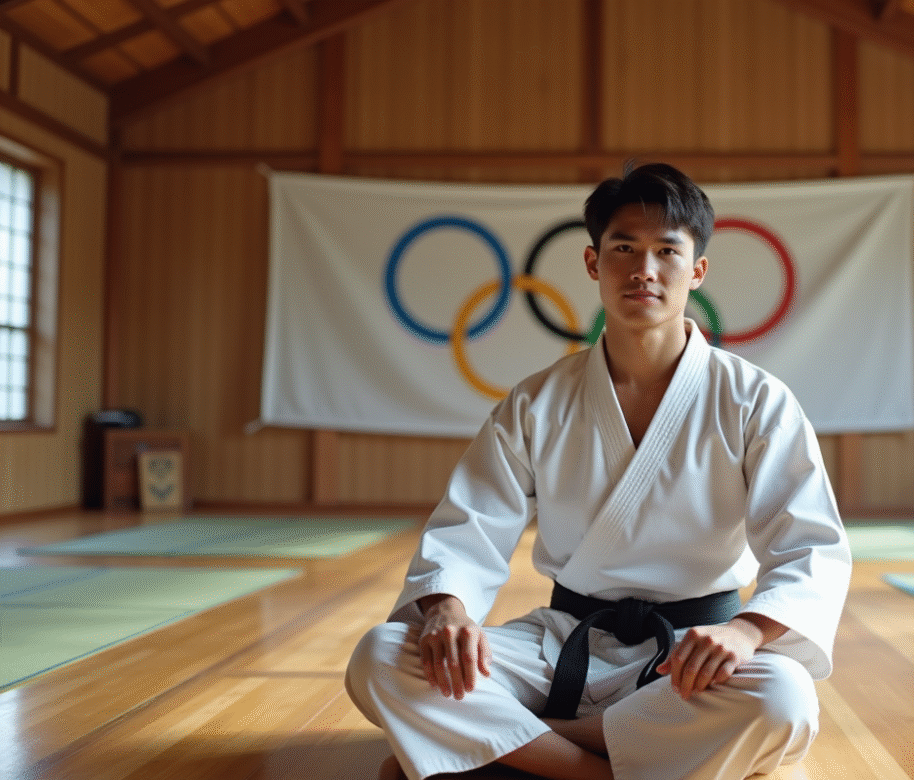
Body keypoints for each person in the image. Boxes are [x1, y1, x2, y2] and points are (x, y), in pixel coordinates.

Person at [345, 162, 852, 780]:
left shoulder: (755, 400)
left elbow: (810, 548)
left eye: (668, 251)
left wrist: (745, 632)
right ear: (593, 263)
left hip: (694, 653)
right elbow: (469, 525)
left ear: (697, 271)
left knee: (784, 698)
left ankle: (520, 748)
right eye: (624, 249)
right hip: (561, 642)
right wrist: (448, 609)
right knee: (381, 656)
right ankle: (604, 766)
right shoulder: (537, 402)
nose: (644, 270)